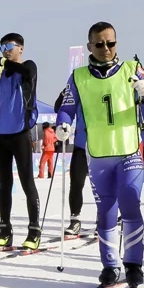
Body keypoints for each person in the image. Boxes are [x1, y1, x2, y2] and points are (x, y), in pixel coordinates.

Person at [56, 21, 144, 288]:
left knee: (130, 204)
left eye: (111, 43)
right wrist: (62, 124)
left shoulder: (132, 68)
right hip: (98, 155)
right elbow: (67, 106)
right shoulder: (79, 76)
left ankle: (133, 265)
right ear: (89, 46)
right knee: (106, 211)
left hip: (128, 152)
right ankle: (110, 265)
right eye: (99, 44)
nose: (106, 48)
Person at [0, 33, 41, 249]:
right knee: (5, 184)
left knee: (27, 182)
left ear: (21, 48)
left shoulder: (28, 66)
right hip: (1, 133)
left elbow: (27, 72)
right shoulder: (3, 72)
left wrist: (5, 63)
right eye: (2, 47)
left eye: (9, 46)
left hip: (20, 131)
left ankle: (34, 230)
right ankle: (5, 230)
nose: (5, 50)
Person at [53, 89, 88, 236]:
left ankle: (104, 220)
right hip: (81, 144)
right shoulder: (78, 87)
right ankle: (75, 220)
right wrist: (64, 93)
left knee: (102, 186)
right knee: (76, 183)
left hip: (103, 147)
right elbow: (59, 108)